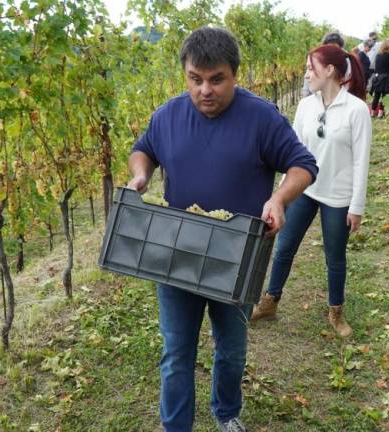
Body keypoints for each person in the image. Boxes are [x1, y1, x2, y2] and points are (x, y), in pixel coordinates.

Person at [127, 27, 318, 432]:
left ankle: (227, 413)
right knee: (177, 349)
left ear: (235, 74)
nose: (205, 90)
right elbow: (143, 149)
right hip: (177, 251)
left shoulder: (262, 118)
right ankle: (175, 425)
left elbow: (303, 166)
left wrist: (278, 199)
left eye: (217, 80)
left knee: (230, 348)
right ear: (186, 75)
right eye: (195, 79)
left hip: (237, 257)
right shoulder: (168, 115)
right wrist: (140, 176)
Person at [251, 44, 372, 338]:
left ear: (329, 70)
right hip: (306, 190)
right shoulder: (306, 106)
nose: (305, 74)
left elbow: (361, 161)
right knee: (284, 247)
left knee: (335, 257)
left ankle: (336, 311)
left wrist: (356, 206)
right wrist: (281, 193)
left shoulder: (356, 110)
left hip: (338, 196)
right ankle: (270, 301)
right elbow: (293, 152)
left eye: (310, 68)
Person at [301, 31, 345, 97]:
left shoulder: (346, 65)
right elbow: (306, 89)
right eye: (329, 48)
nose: (332, 53)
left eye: (336, 49)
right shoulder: (317, 62)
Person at [370, 40, 389, 117]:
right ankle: (380, 113)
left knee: (376, 95)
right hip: (385, 77)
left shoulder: (378, 55)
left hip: (377, 77)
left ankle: (372, 112)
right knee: (384, 96)